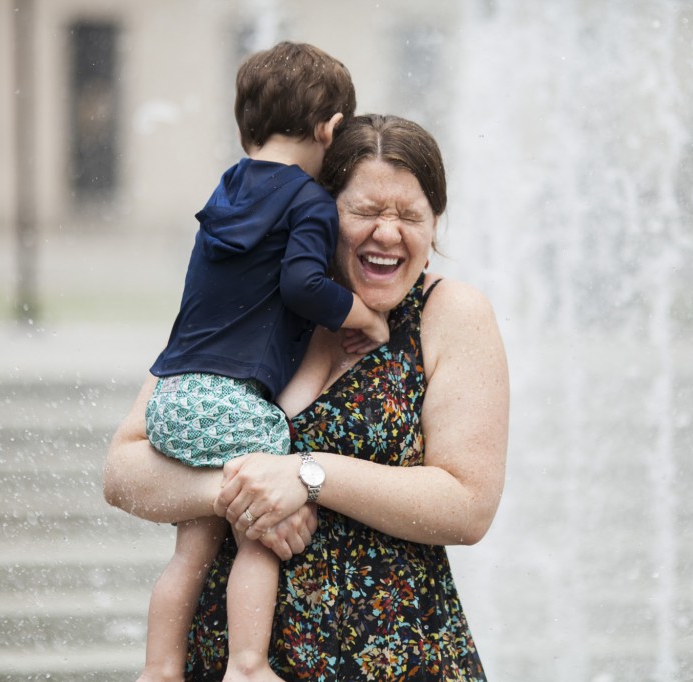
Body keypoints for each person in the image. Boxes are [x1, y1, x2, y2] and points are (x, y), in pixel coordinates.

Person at [105, 114, 509, 681]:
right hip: (233, 665)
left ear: (434, 223)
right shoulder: (246, 298)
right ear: (320, 211)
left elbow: (467, 506)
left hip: (393, 659)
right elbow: (122, 473)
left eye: (410, 216)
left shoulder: (452, 313)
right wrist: (239, 494)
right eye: (365, 212)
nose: (388, 234)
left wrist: (307, 475)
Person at [133, 43, 389, 682]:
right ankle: (247, 665)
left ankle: (159, 669)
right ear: (330, 129)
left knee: (191, 549)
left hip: (173, 391)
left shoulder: (228, 188)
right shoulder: (306, 200)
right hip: (231, 397)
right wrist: (363, 316)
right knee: (259, 530)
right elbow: (305, 285)